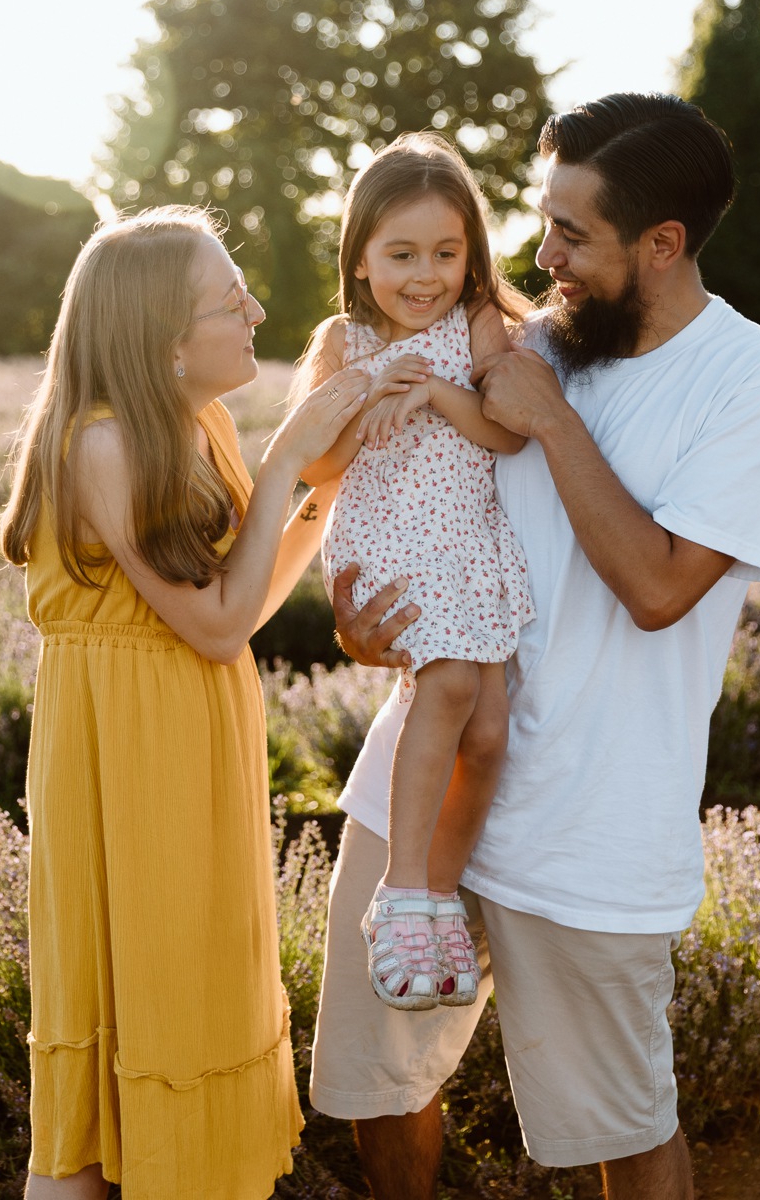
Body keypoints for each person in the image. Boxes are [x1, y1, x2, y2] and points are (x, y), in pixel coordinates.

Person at [309, 93, 760, 1200]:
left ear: (664, 244)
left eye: (572, 234)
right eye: (542, 223)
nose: (541, 256)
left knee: (627, 1129)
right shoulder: (522, 336)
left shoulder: (757, 379)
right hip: (423, 782)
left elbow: (657, 586)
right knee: (379, 1086)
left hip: (592, 826)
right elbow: (393, 490)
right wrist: (360, 615)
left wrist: (549, 415)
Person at [0, 205, 367, 1200]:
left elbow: (237, 605)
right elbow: (211, 625)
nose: (253, 307)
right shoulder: (103, 445)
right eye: (226, 298)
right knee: (96, 1106)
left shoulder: (189, 427)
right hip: (127, 765)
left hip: (189, 749)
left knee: (186, 1008)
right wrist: (292, 449)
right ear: (163, 340)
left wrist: (326, 484)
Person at [294, 133, 534, 1012]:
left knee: (487, 728)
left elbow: (508, 434)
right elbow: (315, 470)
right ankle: (400, 893)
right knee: (444, 694)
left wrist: (434, 393)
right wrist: (367, 396)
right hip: (392, 541)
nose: (423, 274)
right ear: (360, 257)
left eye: (444, 251)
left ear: (471, 251)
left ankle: (435, 894)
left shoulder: (475, 327)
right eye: (401, 254)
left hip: (466, 544)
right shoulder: (342, 340)